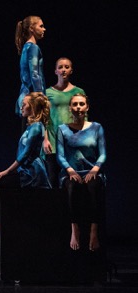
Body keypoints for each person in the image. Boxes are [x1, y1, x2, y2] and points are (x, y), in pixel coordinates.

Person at [0, 92, 52, 243]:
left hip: (32, 174)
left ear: (33, 107)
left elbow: (25, 154)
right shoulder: (31, 126)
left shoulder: (36, 127)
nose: (21, 106)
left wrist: (8, 171)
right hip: (26, 171)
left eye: (25, 104)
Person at [57, 93, 106, 252]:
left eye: (81, 104)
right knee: (71, 188)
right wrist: (70, 170)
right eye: (75, 105)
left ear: (87, 107)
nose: (78, 107)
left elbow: (103, 153)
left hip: (92, 170)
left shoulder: (97, 127)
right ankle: (74, 229)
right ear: (70, 108)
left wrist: (95, 169)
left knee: (93, 188)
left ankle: (93, 231)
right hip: (71, 172)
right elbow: (60, 155)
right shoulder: (62, 129)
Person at [43, 57, 86, 187]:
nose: (63, 70)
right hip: (53, 142)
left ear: (71, 70)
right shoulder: (48, 93)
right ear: (55, 71)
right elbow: (43, 118)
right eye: (60, 67)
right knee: (53, 178)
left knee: (72, 179)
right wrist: (45, 139)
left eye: (67, 67)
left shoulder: (78, 92)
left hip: (71, 142)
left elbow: (84, 118)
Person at [15, 15, 47, 131]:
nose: (44, 29)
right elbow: (34, 74)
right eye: (41, 26)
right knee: (35, 137)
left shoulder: (26, 47)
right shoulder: (33, 48)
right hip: (33, 99)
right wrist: (40, 97)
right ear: (31, 29)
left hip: (26, 97)